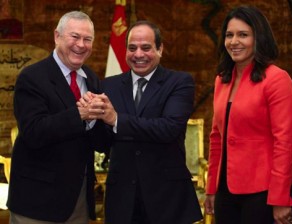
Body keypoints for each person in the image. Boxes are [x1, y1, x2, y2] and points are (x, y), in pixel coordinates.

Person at [79, 20, 203, 224]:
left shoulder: (180, 82)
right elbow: (103, 143)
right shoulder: (109, 85)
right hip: (122, 200)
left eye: (146, 48)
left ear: (160, 49)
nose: (138, 55)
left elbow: (168, 129)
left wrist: (116, 119)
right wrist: (91, 118)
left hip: (167, 198)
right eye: (132, 48)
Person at [7, 11, 109, 223]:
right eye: (74, 36)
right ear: (57, 36)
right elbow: (34, 132)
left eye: (87, 39)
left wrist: (102, 118)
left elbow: (99, 141)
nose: (81, 45)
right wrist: (80, 114)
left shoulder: (91, 79)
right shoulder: (32, 77)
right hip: (36, 203)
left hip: (78, 201)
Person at [204, 5, 292, 224]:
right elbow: (216, 137)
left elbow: (284, 142)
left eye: (243, 35)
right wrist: (211, 187)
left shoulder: (277, 79)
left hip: (263, 191)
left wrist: (280, 197)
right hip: (225, 191)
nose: (234, 41)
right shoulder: (222, 79)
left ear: (259, 38)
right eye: (229, 35)